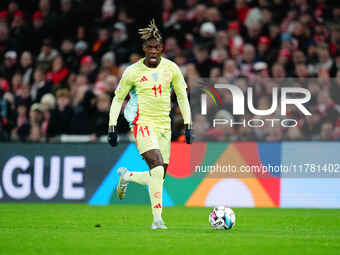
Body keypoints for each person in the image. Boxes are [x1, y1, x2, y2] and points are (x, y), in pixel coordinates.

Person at [107, 20, 192, 229]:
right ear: (143, 49)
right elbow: (118, 98)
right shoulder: (132, 72)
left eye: (157, 47)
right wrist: (112, 126)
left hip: (165, 125)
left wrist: (188, 124)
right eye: (149, 47)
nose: (153, 51)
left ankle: (127, 176)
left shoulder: (171, 69)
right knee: (156, 166)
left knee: (159, 176)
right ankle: (157, 219)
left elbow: (182, 97)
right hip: (142, 122)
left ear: (162, 48)